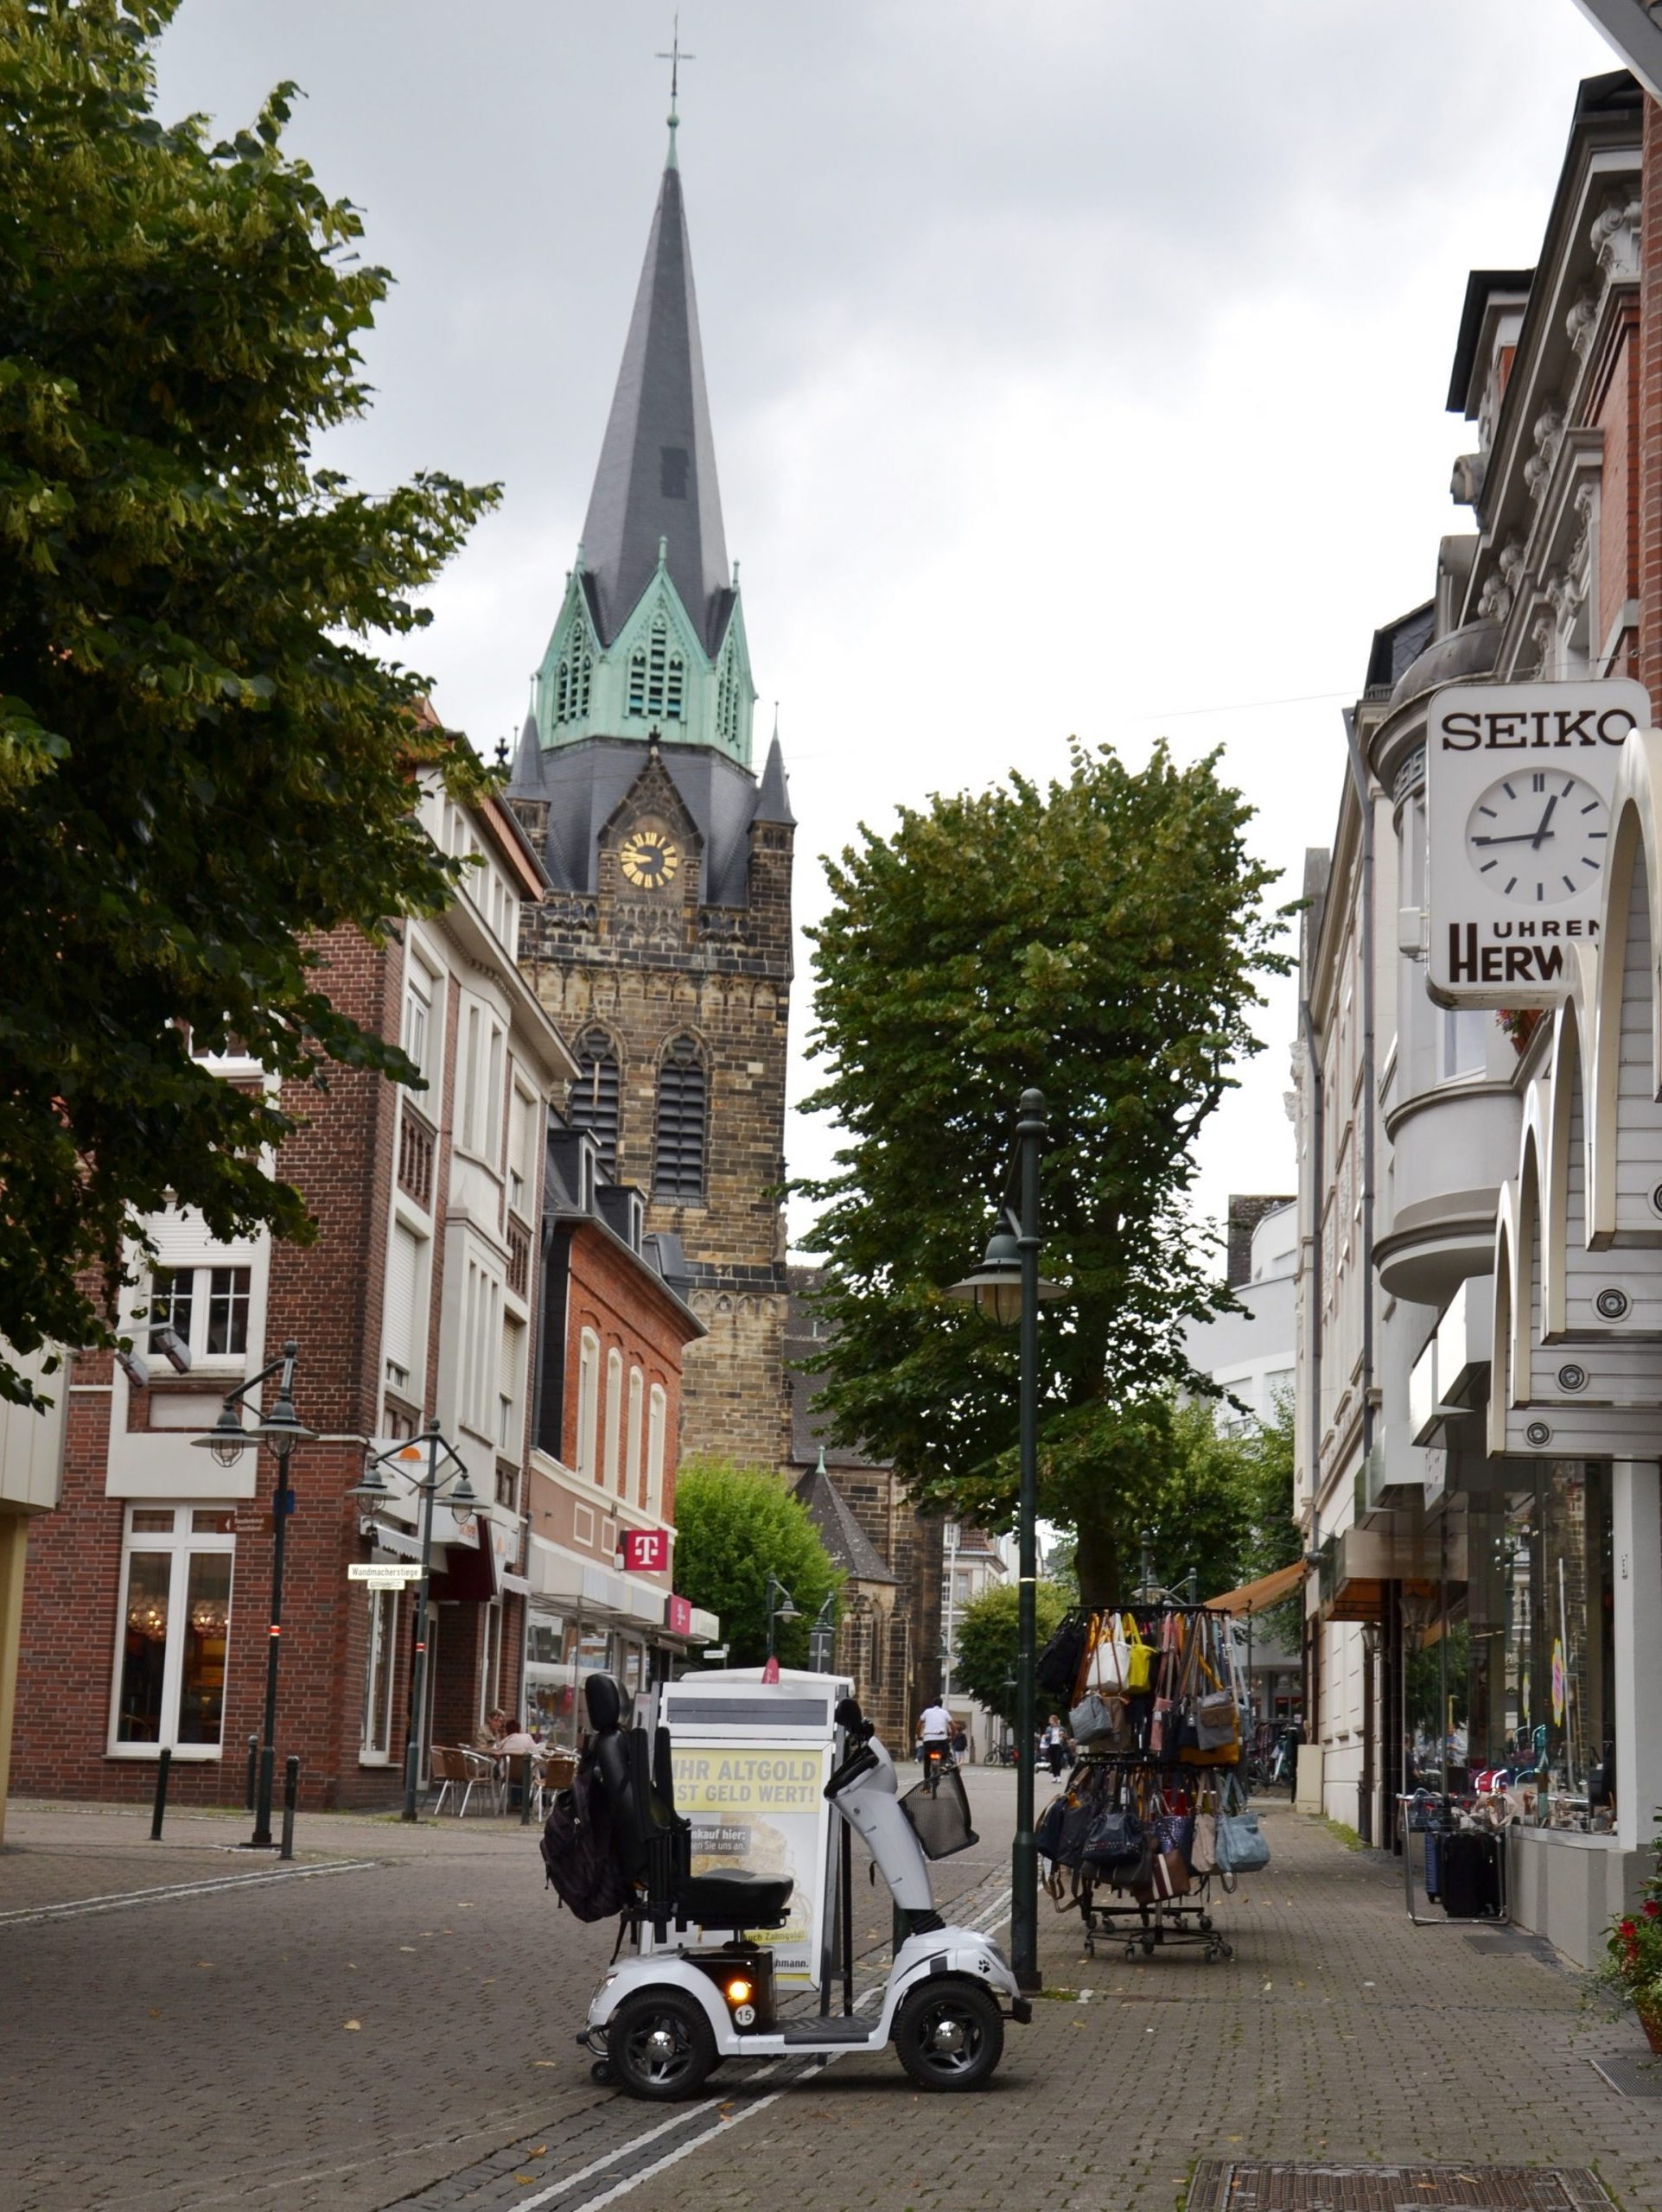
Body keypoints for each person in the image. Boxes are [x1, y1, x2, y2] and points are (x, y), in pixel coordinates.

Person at [917, 1694, 953, 1783]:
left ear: (933, 1704)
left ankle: (926, 1784)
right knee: (946, 1749)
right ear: (941, 1704)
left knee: (927, 1761)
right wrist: (952, 1736)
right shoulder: (944, 1712)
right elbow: (953, 1726)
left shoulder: (927, 1711)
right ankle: (944, 1763)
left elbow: (919, 1724)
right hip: (941, 1739)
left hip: (928, 1739)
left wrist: (919, 1735)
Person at [1041, 1713, 1068, 1779]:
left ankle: (1058, 1776)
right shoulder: (1048, 1728)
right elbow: (1046, 1737)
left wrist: (1063, 1736)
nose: (1050, 1721)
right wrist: (1046, 1736)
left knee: (1058, 1760)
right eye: (1050, 1720)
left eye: (1051, 1720)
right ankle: (1054, 1776)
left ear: (1055, 1720)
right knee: (1053, 1761)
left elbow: (1066, 1737)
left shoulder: (1061, 1728)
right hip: (1051, 1745)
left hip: (1058, 1745)